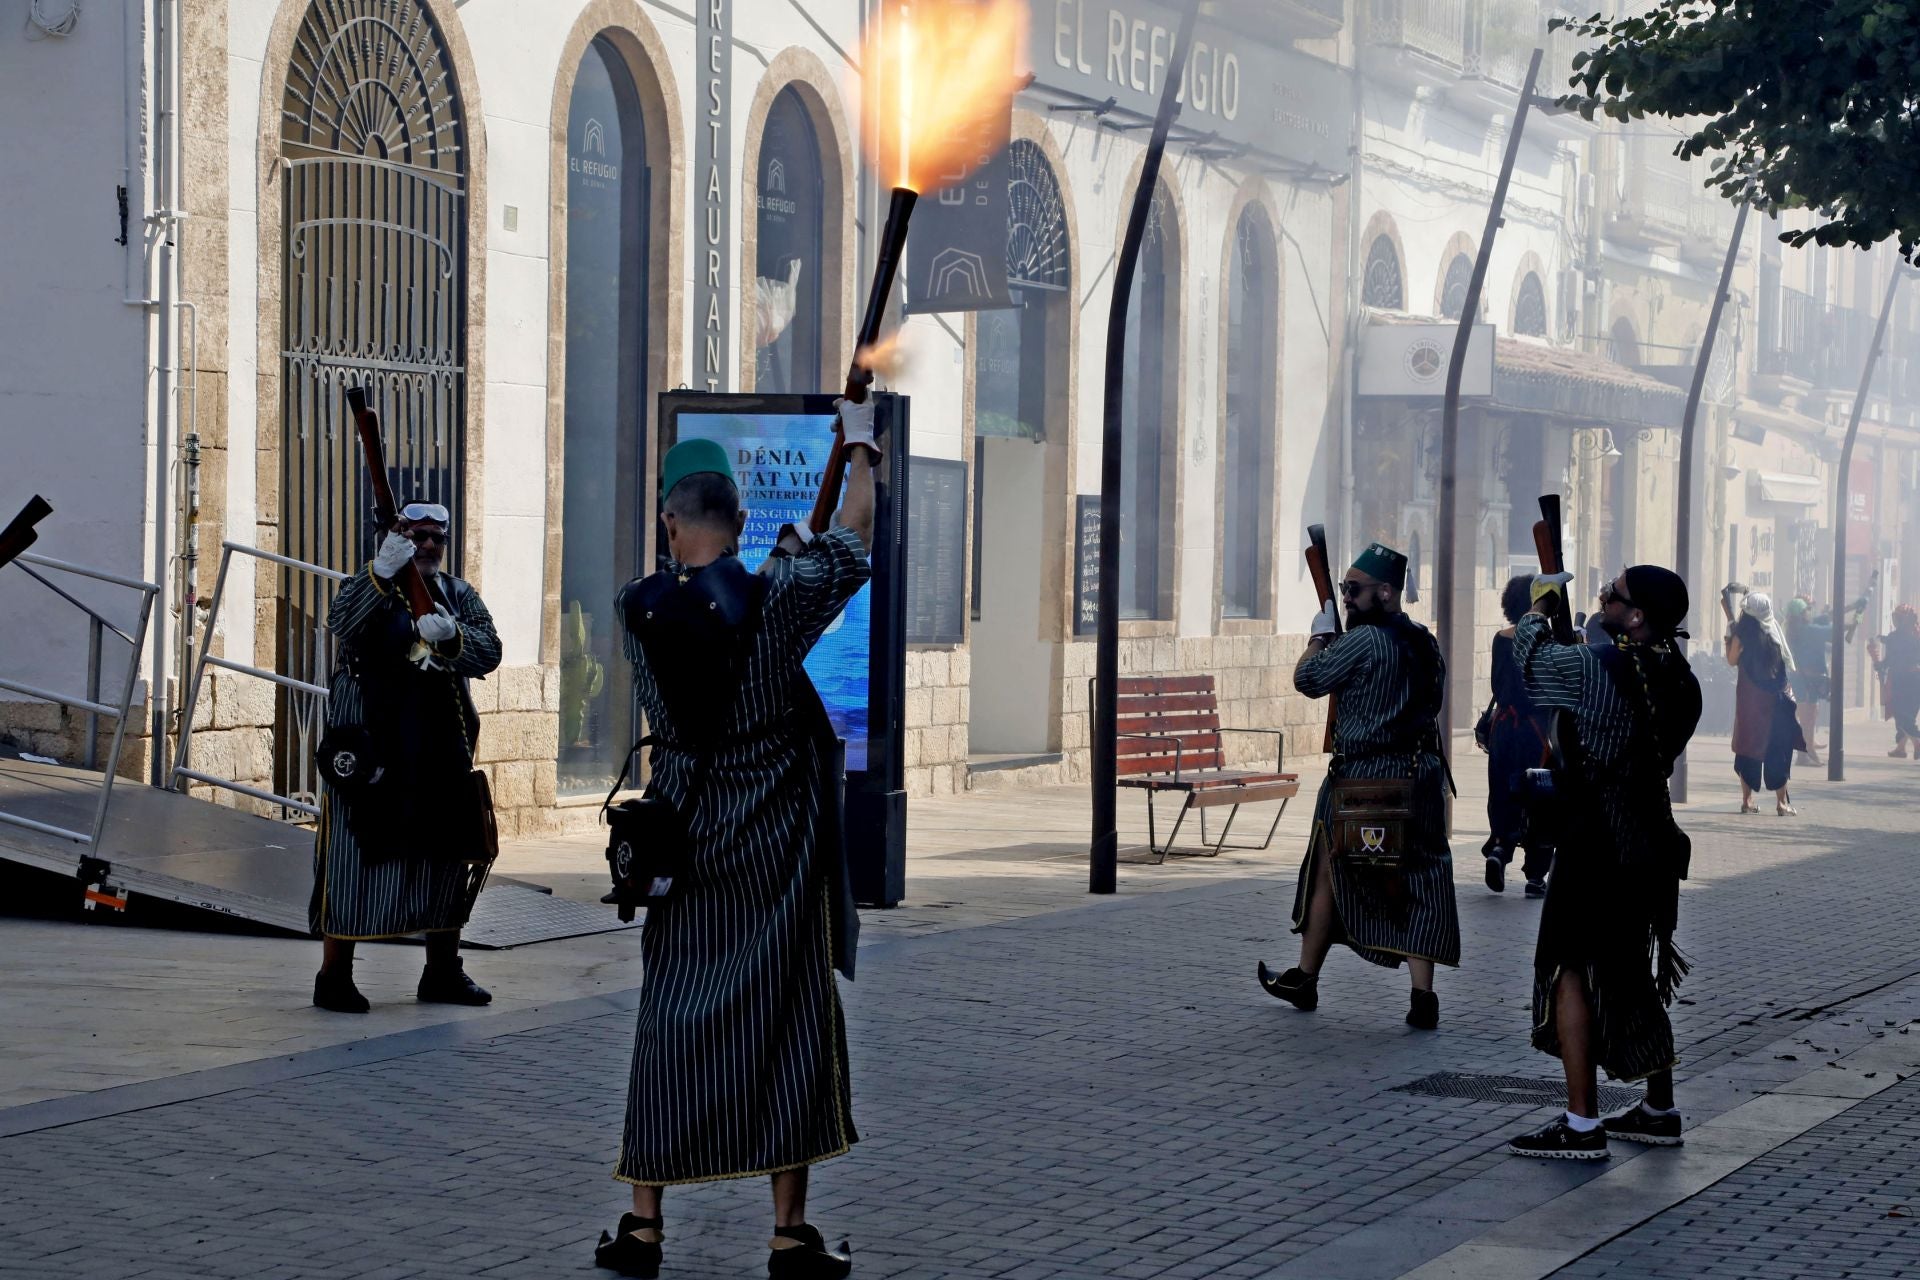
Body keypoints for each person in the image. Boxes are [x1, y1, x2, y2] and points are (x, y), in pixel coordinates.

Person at [594, 402, 880, 1280]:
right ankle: (790, 1233)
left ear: (668, 522)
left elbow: (693, 618)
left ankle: (643, 1226)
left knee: (669, 1020)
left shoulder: (634, 606)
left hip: (683, 832)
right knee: (789, 1019)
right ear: (746, 521)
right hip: (771, 848)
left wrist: (773, 570)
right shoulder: (779, 600)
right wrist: (859, 437)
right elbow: (860, 527)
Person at [1505, 566, 1701, 1160]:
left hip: (1597, 836)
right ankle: (1657, 1108)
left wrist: (1538, 611)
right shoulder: (1683, 679)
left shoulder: (1605, 666)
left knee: (1569, 967)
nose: (1602, 597)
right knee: (1630, 969)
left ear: (1636, 616)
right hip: (1648, 834)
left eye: (1612, 593)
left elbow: (1534, 669)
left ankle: (1582, 1123)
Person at [1258, 542, 1461, 1030]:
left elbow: (1308, 679)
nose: (1347, 597)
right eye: (1344, 588)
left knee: (1335, 867)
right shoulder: (1424, 641)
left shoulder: (1365, 642)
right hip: (1423, 775)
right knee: (1421, 877)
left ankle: (1306, 977)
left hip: (1366, 781)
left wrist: (1320, 636)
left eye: (1354, 590)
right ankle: (1420, 997)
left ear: (1386, 593)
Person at [311, 501, 503, 1013]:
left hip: (437, 748)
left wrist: (454, 638)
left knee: (444, 859)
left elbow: (489, 650)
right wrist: (381, 572)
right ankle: (335, 976)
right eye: (419, 537)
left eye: (437, 538)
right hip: (373, 745)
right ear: (396, 540)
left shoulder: (458, 595)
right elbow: (342, 623)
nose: (430, 547)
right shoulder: (368, 585)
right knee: (353, 862)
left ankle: (442, 971)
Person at [1480, 574, 1555, 897]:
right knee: (1540, 798)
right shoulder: (1549, 641)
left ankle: (1499, 849)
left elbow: (1498, 686)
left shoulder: (1500, 638)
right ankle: (1536, 875)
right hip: (1536, 731)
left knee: (1501, 793)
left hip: (1502, 730)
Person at [1725, 591, 1801, 816]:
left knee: (1748, 748)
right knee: (1779, 749)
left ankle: (1747, 801)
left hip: (1750, 702)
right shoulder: (1774, 630)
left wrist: (1730, 636)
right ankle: (1781, 804)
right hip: (1777, 699)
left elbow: (1731, 660)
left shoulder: (1741, 635)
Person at [1785, 596, 1830, 766]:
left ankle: (1805, 752)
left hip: (1800, 678)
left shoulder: (1794, 629)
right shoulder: (1808, 630)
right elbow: (1831, 630)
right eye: (1807, 610)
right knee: (1807, 717)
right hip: (1806, 679)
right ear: (1801, 614)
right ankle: (1805, 752)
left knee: (1808, 716)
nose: (1809, 612)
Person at [1874, 604, 1920, 758]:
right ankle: (1901, 748)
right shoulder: (1916, 636)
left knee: (1901, 714)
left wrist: (1878, 663)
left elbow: (1888, 661)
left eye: (1898, 618)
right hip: (1916, 680)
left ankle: (1917, 740)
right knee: (1908, 715)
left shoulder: (1895, 638)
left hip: (1902, 680)